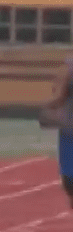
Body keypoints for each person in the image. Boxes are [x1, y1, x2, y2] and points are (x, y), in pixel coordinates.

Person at [38, 55, 73, 209]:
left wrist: (48, 107)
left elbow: (59, 94)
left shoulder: (67, 69)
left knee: (69, 178)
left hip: (69, 127)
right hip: (69, 127)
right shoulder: (68, 69)